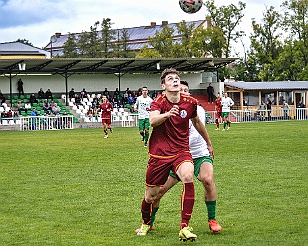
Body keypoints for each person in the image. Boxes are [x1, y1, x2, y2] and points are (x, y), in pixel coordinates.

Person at [136, 68, 212, 242]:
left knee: (187, 176)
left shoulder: (190, 102)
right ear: (163, 85)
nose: (175, 81)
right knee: (151, 195)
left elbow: (197, 122)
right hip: (160, 154)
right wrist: (167, 114)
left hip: (181, 151)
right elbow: (153, 121)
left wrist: (208, 143)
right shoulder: (158, 102)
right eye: (170, 79)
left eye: (177, 78)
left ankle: (184, 227)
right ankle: (146, 223)